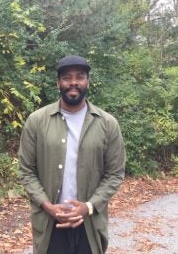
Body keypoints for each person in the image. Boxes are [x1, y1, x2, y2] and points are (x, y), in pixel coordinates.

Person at [18, 55, 126, 254]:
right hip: (50, 224)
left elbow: (115, 174)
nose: (74, 82)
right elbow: (26, 171)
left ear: (88, 81)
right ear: (58, 82)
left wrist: (89, 207)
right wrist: (47, 205)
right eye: (67, 77)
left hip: (90, 224)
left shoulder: (107, 124)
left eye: (80, 77)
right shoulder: (36, 121)